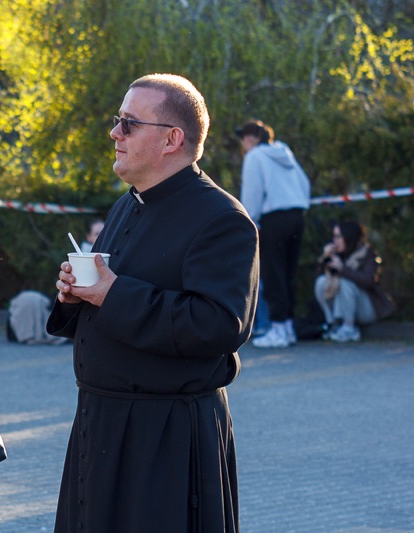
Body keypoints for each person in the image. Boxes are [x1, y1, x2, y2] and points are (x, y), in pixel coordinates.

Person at [48, 74, 259, 532]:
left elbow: (219, 324)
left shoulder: (222, 219)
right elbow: (112, 295)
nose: (114, 133)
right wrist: (76, 294)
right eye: (117, 120)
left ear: (171, 139)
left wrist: (112, 293)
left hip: (166, 436)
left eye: (128, 123)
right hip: (100, 421)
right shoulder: (127, 204)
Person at [236, 119, 310, 348]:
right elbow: (304, 182)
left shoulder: (254, 156)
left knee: (273, 273)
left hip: (273, 220)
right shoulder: (284, 152)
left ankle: (277, 328)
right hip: (297, 215)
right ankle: (287, 328)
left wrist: (250, 220)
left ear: (251, 138)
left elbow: (252, 194)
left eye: (243, 137)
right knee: (288, 272)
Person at [315, 221, 395, 342]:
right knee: (321, 282)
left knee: (345, 282)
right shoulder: (337, 254)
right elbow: (318, 278)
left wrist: (343, 269)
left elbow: (368, 281)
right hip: (343, 305)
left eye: (338, 236)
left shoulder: (367, 254)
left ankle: (349, 328)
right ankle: (333, 324)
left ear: (348, 237)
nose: (334, 241)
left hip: (366, 307)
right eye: (334, 236)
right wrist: (325, 258)